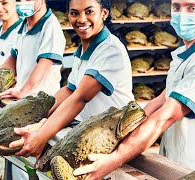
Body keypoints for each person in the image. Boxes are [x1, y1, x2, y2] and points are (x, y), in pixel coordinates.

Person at [62, 0, 195, 179]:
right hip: (174, 159)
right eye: (177, 7)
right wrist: (122, 133)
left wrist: (116, 157)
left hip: (189, 163)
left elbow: (165, 116)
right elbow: (161, 101)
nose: (182, 15)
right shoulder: (182, 54)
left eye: (192, 8)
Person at [7, 0, 134, 170]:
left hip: (112, 139)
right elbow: (69, 90)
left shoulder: (111, 50)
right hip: (89, 133)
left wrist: (41, 136)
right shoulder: (83, 49)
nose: (81, 19)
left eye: (89, 12)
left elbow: (79, 98)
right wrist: (36, 115)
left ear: (104, 13)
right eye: (75, 13)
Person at [0, 0, 66, 100]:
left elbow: (43, 65)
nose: (23, 2)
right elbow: (11, 63)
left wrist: (22, 92)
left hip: (41, 100)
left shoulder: (51, 26)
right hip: (22, 97)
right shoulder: (22, 25)